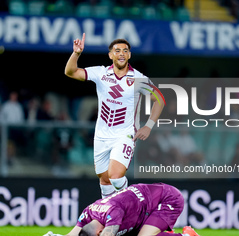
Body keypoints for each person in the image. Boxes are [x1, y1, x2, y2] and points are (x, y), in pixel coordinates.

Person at [65, 33, 164, 198]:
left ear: (129, 55)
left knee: (115, 176)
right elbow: (70, 72)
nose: (122, 54)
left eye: (125, 51)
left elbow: (159, 99)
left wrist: (148, 126)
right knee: (105, 181)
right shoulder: (101, 73)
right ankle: (112, 218)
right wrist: (76, 54)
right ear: (110, 55)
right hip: (102, 135)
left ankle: (135, 205)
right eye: (117, 51)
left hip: (125, 134)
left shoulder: (138, 79)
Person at [42, 183, 206, 236]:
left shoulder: (113, 212)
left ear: (99, 230)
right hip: (142, 205)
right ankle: (160, 232)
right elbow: (73, 234)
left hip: (167, 197)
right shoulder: (89, 211)